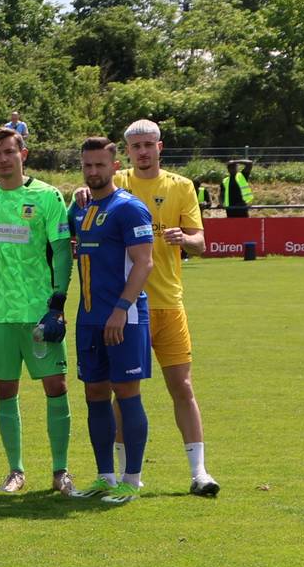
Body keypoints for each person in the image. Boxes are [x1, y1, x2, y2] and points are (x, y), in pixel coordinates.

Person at [0, 124, 75, 494]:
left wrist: (57, 304)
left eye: (9, 152)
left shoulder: (47, 196)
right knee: (5, 390)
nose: (3, 159)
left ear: (23, 154)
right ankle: (16, 471)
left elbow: (62, 251)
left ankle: (60, 471)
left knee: (56, 386)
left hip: (39, 311)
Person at [115, 121, 218, 496]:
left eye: (148, 145)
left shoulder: (181, 186)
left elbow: (200, 243)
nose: (142, 151)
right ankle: (126, 474)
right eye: (135, 146)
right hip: (128, 307)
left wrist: (184, 237)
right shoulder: (118, 183)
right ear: (127, 150)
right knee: (125, 392)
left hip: (169, 304)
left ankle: (199, 473)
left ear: (160, 147)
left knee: (183, 387)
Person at [68, 138, 158, 502]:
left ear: (115, 166)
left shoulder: (130, 208)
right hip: (89, 319)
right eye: (87, 165)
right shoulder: (82, 208)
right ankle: (105, 476)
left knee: (127, 393)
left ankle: (131, 480)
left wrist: (121, 308)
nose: (93, 171)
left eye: (100, 165)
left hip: (125, 317)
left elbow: (144, 263)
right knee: (94, 393)